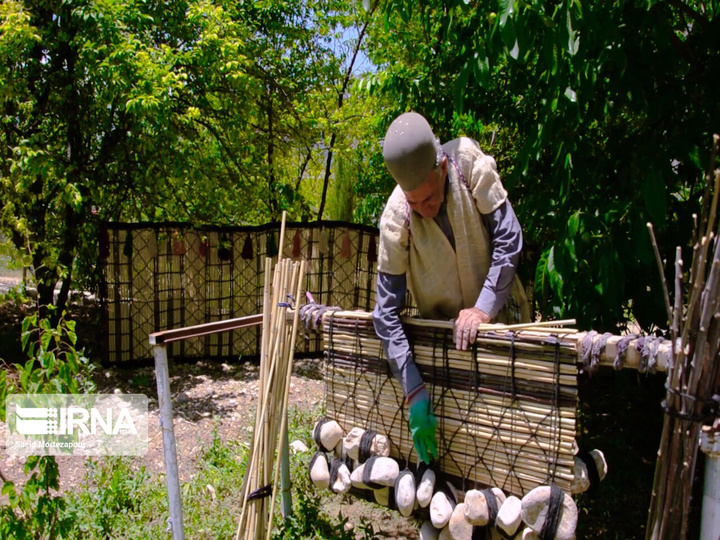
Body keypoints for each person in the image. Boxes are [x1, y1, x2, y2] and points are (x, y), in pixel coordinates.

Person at [373, 111, 530, 464]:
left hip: (500, 327)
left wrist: (483, 308)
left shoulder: (468, 164)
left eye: (429, 199)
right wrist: (413, 389)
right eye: (414, 203)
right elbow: (385, 314)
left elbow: (509, 239)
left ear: (442, 168)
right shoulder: (396, 218)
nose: (423, 211)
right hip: (442, 345)